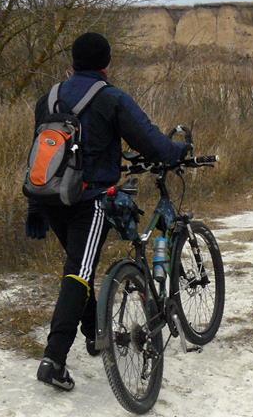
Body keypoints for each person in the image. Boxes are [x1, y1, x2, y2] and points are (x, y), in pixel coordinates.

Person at [24, 31, 188, 391]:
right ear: (106, 63)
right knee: (79, 272)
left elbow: (40, 153)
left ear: (73, 61)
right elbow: (151, 143)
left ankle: (93, 333)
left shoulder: (47, 99)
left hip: (51, 197)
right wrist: (178, 151)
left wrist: (35, 204)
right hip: (90, 200)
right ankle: (54, 360)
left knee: (79, 265)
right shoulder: (110, 97)